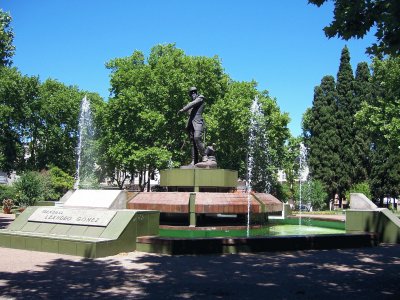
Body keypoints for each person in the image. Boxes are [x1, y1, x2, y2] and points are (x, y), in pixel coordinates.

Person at [178, 87, 207, 167]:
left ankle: (204, 155)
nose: (193, 94)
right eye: (191, 93)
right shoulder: (191, 103)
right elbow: (190, 112)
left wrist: (183, 109)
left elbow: (192, 104)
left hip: (198, 123)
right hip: (191, 124)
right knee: (193, 143)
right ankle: (194, 160)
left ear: (197, 92)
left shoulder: (200, 98)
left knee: (197, 138)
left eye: (194, 92)